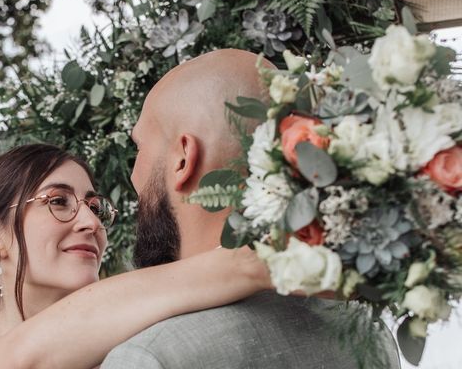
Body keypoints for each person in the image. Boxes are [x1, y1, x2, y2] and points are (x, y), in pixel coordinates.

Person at [102, 48, 401, 368]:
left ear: (183, 159)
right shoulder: (372, 333)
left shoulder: (149, 356)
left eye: (140, 147)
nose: (134, 175)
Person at [0, 143, 273, 369]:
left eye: (94, 206)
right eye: (57, 201)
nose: (91, 222)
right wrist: (253, 262)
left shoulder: (147, 345)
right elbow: (26, 358)